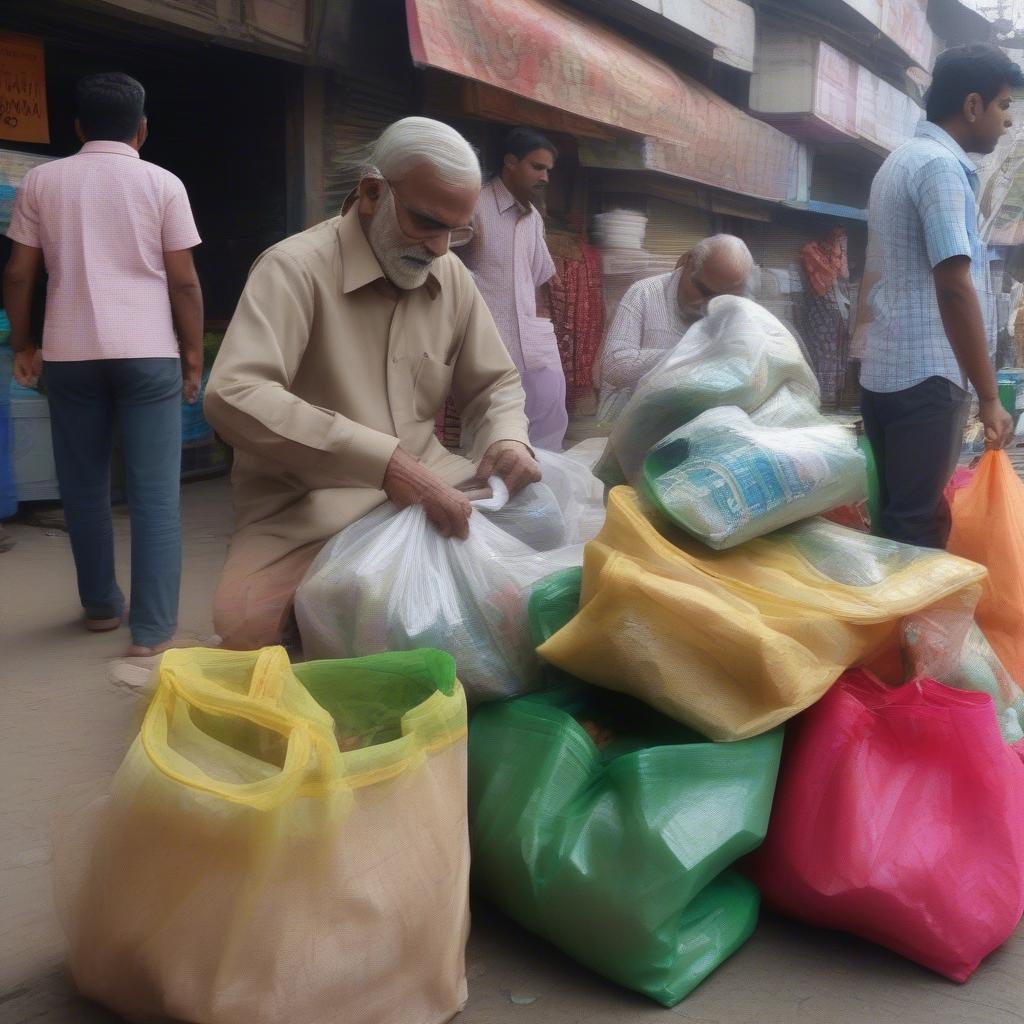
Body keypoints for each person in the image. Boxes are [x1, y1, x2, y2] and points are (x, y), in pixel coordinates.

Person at [204, 116, 540, 650]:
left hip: (433, 478)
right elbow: (234, 394)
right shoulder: (293, 269)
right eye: (427, 223)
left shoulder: (449, 273)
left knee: (545, 522)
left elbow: (495, 383)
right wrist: (382, 462)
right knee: (247, 626)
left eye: (457, 231)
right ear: (371, 193)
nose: (438, 248)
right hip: (309, 508)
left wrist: (507, 436)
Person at [3, 72, 203, 656]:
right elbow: (184, 282)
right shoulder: (163, 184)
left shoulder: (42, 181)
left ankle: (99, 607)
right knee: (155, 495)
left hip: (70, 354)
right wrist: (192, 357)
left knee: (84, 489)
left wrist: (22, 344)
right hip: (147, 355)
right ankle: (151, 630)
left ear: (78, 128)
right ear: (141, 129)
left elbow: (19, 273)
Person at [855, 43, 1022, 549]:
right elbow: (953, 287)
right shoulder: (940, 170)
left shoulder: (901, 160)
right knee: (918, 524)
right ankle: (917, 629)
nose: (1008, 123)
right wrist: (989, 398)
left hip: (887, 371)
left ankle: (898, 623)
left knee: (896, 516)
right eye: (1003, 107)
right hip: (927, 377)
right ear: (973, 106)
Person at [459, 126, 565, 449]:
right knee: (489, 440)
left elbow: (538, 280)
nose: (545, 177)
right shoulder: (474, 205)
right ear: (510, 162)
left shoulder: (533, 218)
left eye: (548, 170)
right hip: (488, 347)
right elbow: (447, 268)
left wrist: (542, 331)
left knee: (547, 435)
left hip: (533, 345)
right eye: (537, 167)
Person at [597, 234, 754, 422]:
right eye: (703, 291)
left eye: (720, 298)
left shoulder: (730, 310)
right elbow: (614, 367)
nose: (708, 304)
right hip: (627, 422)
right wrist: (690, 354)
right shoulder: (644, 293)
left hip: (687, 425)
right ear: (688, 264)